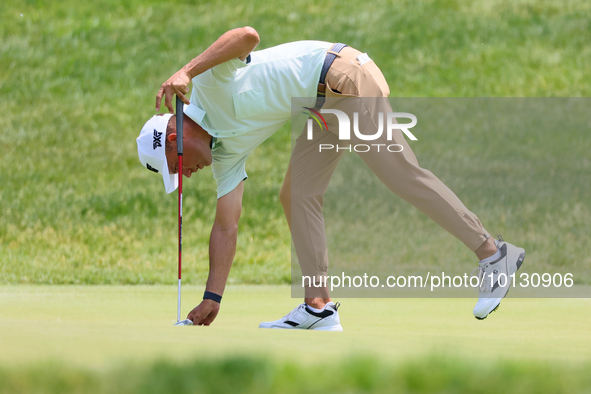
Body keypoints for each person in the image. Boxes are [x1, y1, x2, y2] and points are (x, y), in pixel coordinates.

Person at [136, 27, 525, 330]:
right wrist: (212, 297)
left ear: (175, 139)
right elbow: (226, 225)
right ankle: (318, 307)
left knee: (401, 174)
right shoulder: (224, 155)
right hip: (320, 108)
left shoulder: (204, 84)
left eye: (178, 167)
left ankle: (493, 254)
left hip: (344, 77)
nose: (186, 175)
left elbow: (248, 36)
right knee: (296, 194)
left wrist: (186, 70)